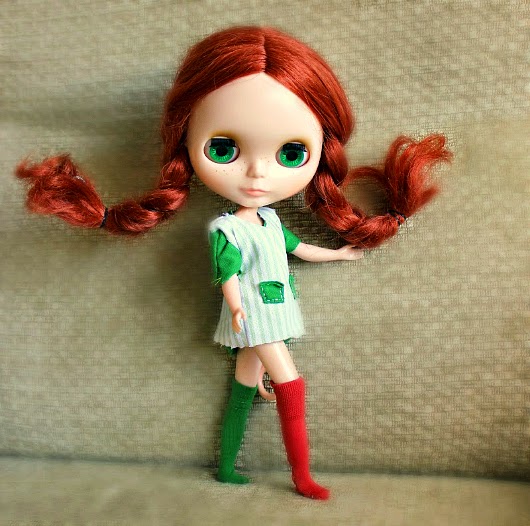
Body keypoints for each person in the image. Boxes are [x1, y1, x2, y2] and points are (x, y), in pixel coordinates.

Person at [15, 26, 451, 500]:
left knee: (244, 386)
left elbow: (299, 248)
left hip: (271, 312)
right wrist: (238, 307)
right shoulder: (227, 229)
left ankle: (225, 468)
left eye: (291, 153)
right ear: (184, 144)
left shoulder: (269, 220)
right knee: (291, 384)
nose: (258, 172)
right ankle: (302, 477)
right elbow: (226, 272)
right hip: (254, 316)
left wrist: (339, 252)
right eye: (223, 149)